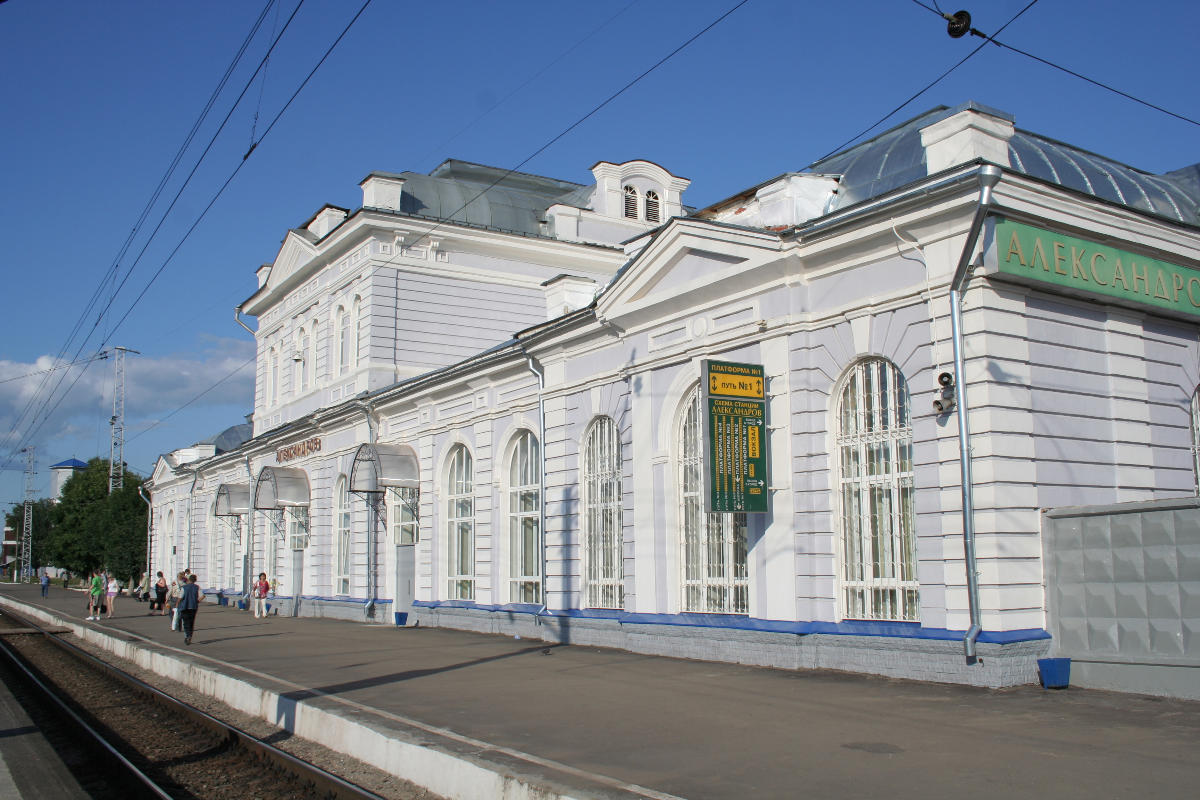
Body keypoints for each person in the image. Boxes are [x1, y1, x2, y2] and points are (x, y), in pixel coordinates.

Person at [177, 573, 202, 645]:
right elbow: (202, 595)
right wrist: (197, 601)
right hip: (193, 607)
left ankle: (187, 636)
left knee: (186, 622)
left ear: (189, 580)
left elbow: (180, 597)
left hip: (185, 607)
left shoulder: (184, 587)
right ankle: (190, 636)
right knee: (191, 622)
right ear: (195, 580)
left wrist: (177, 605)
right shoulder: (197, 587)